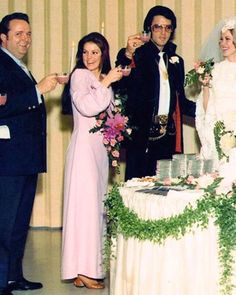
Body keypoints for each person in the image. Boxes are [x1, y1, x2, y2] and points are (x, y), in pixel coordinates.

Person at [0, 12, 58, 295]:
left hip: (25, 157)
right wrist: (37, 90)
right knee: (4, 222)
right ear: (3, 38)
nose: (25, 39)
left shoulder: (18, 65)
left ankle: (13, 276)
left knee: (20, 222)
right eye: (19, 34)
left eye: (29, 34)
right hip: (7, 159)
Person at [61, 32, 122, 289]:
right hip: (84, 148)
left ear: (103, 54)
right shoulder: (79, 76)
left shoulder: (99, 78)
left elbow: (108, 113)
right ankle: (83, 269)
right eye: (85, 52)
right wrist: (106, 81)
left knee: (95, 208)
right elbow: (87, 107)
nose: (89, 57)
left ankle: (83, 268)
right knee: (84, 209)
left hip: (98, 150)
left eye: (95, 52)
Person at [116, 5, 196, 181]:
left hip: (167, 136)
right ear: (148, 29)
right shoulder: (136, 56)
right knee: (137, 190)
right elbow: (120, 86)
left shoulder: (176, 61)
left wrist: (210, 111)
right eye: (158, 27)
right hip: (142, 136)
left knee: (165, 189)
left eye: (168, 27)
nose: (163, 32)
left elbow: (180, 101)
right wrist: (128, 54)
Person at [195, 17, 236, 168]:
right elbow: (206, 109)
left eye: (227, 39)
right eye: (221, 39)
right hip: (218, 136)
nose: (223, 44)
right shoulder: (214, 70)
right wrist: (205, 86)